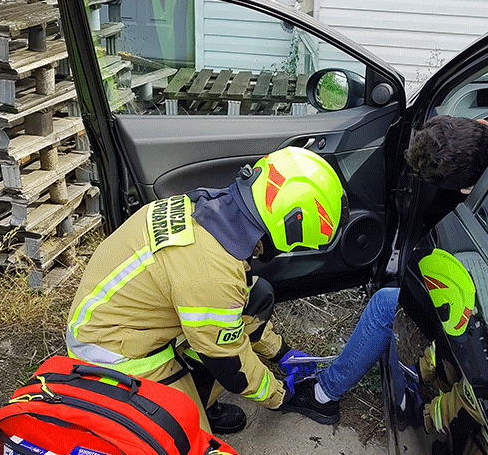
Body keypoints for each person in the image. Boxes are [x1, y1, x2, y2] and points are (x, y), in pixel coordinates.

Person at [66, 146, 348, 435]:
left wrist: (281, 353)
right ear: (289, 224)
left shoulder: (206, 208)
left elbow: (234, 306)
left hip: (123, 318)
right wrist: (281, 396)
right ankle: (182, 407)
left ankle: (194, 392)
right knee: (190, 444)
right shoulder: (212, 271)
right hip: (112, 353)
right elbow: (229, 361)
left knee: (255, 295)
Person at [281, 115, 488, 424]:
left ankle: (324, 395)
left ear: (467, 189)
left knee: (384, 305)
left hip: (487, 299)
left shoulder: (487, 197)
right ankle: (401, 394)